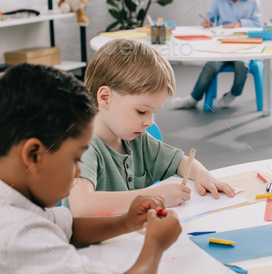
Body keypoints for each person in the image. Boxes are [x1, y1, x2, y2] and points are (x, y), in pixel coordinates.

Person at [0, 64, 182, 274]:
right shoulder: (18, 236)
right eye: (76, 159)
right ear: (34, 155)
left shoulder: (14, 197)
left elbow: (68, 229)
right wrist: (155, 244)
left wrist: (126, 221)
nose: (78, 171)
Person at [66, 39, 235, 216]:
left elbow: (181, 162)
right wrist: (153, 196)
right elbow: (81, 206)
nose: (150, 122)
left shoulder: (137, 140)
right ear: (106, 97)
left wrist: (202, 174)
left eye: (154, 112)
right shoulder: (82, 147)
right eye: (142, 111)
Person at [171, 0, 263, 110]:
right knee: (211, 65)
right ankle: (193, 98)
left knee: (242, 65)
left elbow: (259, 25)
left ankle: (233, 93)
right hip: (222, 46)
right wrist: (207, 22)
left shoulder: (253, 3)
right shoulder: (218, 1)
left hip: (244, 47)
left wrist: (240, 23)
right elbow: (209, 18)